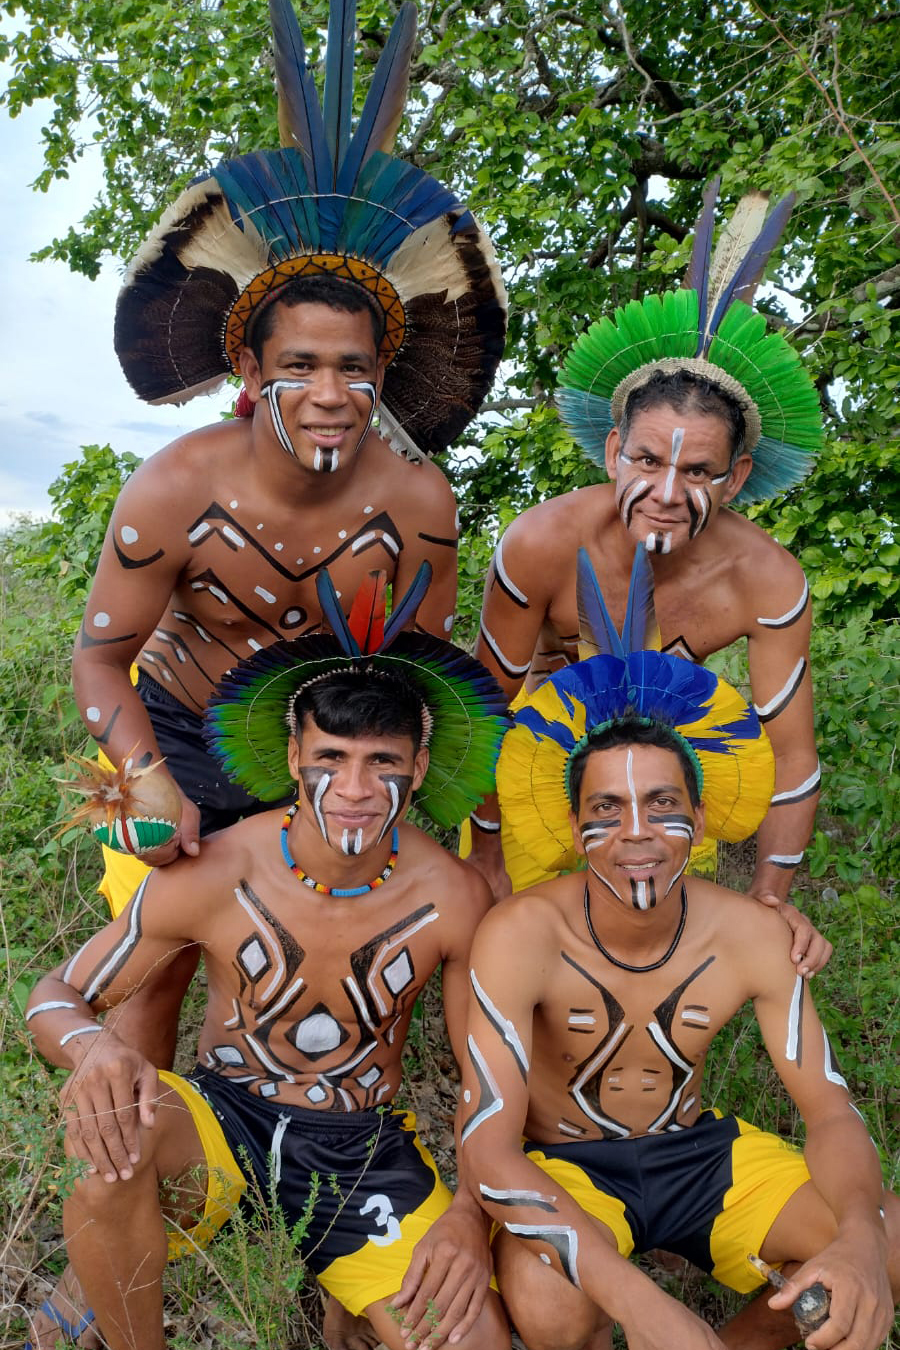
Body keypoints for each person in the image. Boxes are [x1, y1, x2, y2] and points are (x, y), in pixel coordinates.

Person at [74, 0, 506, 1063]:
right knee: (154, 970)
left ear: (382, 371)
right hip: (176, 732)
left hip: (319, 758)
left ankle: (298, 1137)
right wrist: (148, 778)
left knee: (309, 970)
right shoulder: (173, 489)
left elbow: (412, 673)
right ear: (250, 367)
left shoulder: (418, 504)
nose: (329, 394)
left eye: (353, 368)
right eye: (299, 366)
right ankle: (140, 1137)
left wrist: (401, 804)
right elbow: (99, 657)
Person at [26, 594, 511, 1350]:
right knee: (111, 1143)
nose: (354, 791)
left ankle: (346, 1281)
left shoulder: (452, 896)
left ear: (418, 767)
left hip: (360, 1151)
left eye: (382, 762)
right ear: (293, 759)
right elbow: (56, 995)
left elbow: (487, 1077)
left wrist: (469, 1216)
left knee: (473, 1341)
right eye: (330, 759)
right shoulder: (221, 869)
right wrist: (94, 1049)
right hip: (222, 1120)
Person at [457, 631, 897, 1350]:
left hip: (696, 1153)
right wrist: (643, 1305)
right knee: (551, 1307)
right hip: (566, 1166)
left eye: (661, 803)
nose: (636, 833)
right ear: (572, 825)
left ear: (698, 819)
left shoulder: (750, 933)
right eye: (606, 809)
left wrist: (860, 1239)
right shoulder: (521, 934)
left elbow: (829, 1109)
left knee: (891, 1239)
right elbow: (487, 1150)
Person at [466, 183, 821, 911]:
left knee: (654, 958)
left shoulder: (767, 580)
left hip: (671, 785)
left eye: (697, 472)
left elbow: (792, 757)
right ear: (613, 453)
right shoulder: (542, 543)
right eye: (648, 461)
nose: (665, 492)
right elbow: (484, 713)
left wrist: (770, 899)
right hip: (533, 775)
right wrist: (490, 860)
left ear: (735, 479)